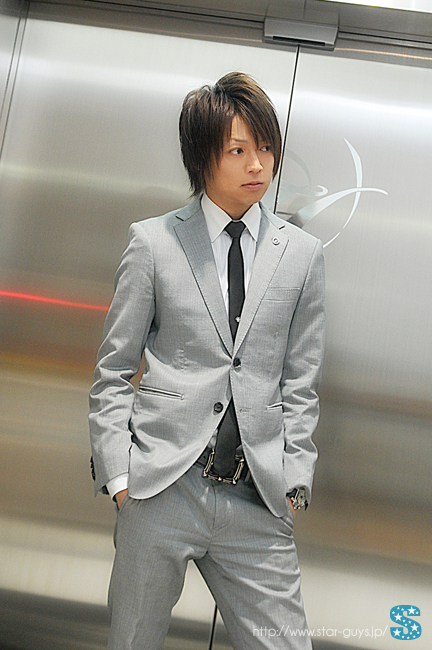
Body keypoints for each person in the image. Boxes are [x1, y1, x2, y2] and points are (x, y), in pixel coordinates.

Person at [89, 71, 325, 650]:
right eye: (238, 150)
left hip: (257, 497)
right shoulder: (153, 243)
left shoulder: (302, 254)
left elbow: (301, 381)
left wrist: (295, 478)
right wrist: (120, 477)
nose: (257, 165)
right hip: (161, 487)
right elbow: (113, 370)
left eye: (265, 147)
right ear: (202, 157)